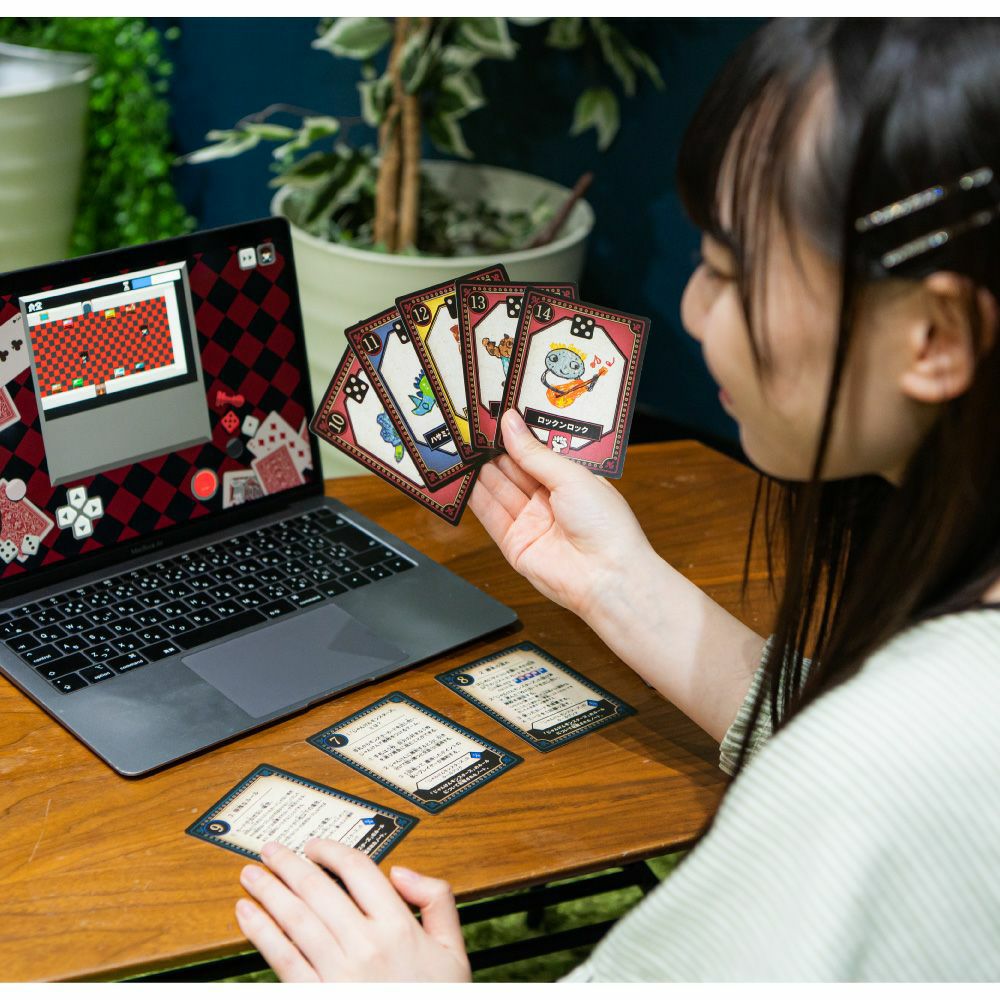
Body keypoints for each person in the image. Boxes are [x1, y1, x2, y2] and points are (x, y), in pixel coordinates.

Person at [229, 18, 1000, 981]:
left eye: (730, 273)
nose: (691, 311)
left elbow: (880, 779)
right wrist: (619, 586)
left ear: (935, 337)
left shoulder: (897, 762)